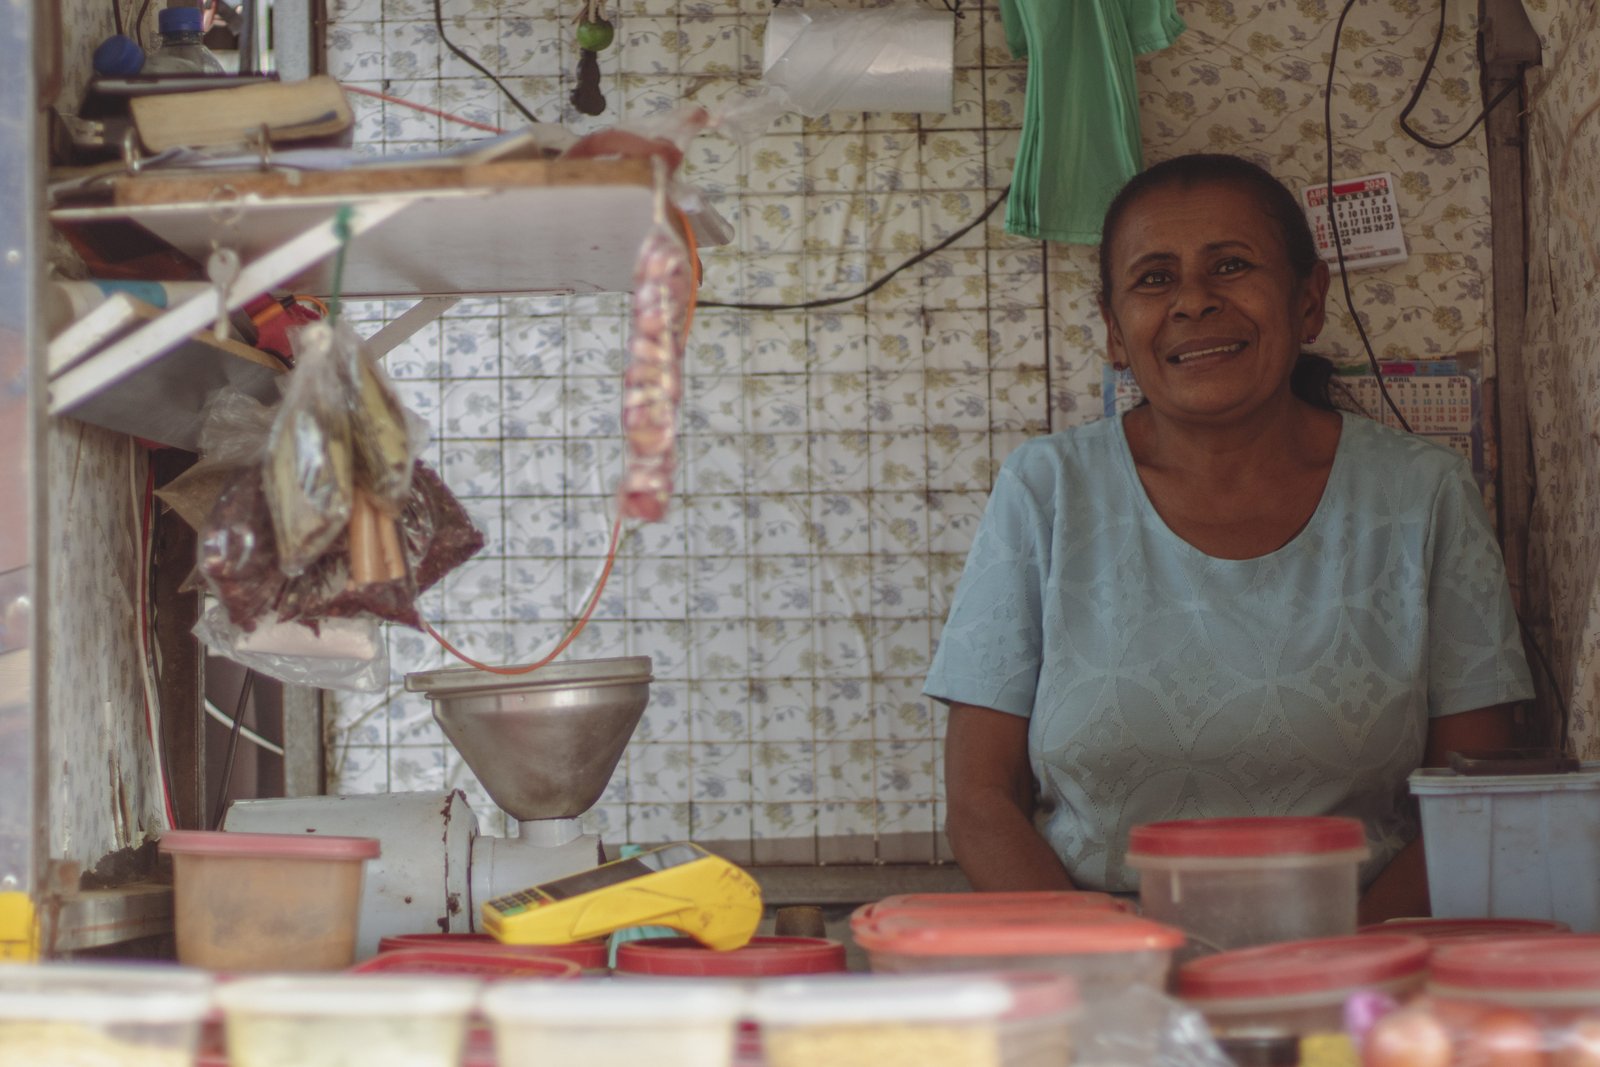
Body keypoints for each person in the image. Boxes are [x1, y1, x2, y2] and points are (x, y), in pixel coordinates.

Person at [924, 153, 1534, 923]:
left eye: (1232, 265)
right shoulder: (1046, 490)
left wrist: (1346, 972)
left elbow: (1476, 790)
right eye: (1153, 279)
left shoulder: (1422, 495)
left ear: (1307, 301)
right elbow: (981, 799)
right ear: (1115, 329)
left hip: (1356, 972)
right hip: (1102, 979)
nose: (1193, 302)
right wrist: (1109, 971)